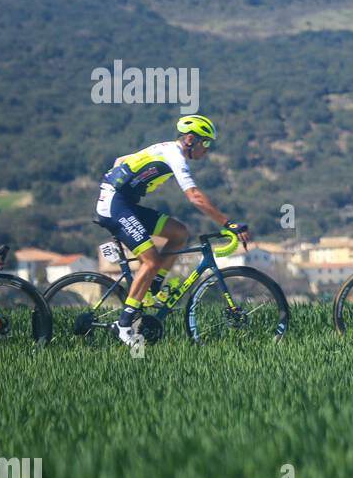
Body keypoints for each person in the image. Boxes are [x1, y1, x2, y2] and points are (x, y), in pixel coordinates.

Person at [96, 115, 248, 343]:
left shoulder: (164, 148)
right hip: (115, 205)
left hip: (124, 204)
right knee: (151, 261)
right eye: (205, 142)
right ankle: (124, 324)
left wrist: (119, 182)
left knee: (179, 234)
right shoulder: (175, 157)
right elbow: (195, 197)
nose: (207, 149)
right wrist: (228, 223)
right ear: (190, 139)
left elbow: (120, 160)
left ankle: (152, 289)